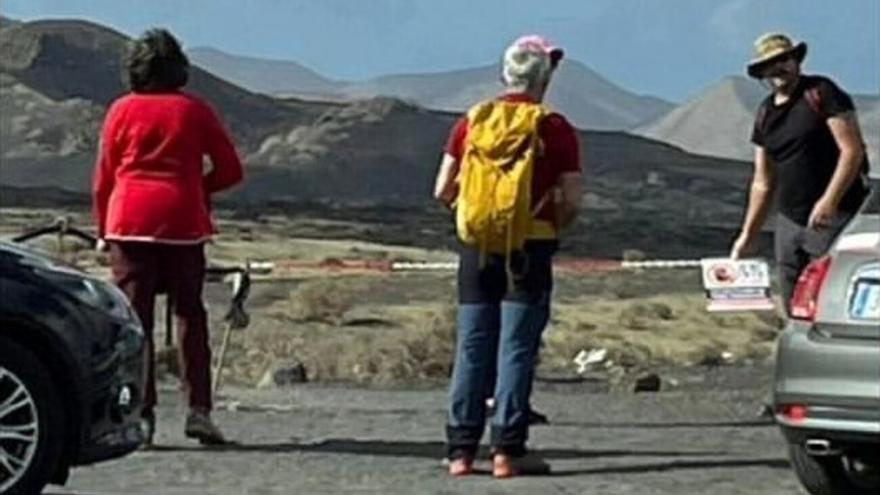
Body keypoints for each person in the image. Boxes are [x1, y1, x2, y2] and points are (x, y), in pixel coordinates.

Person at [433, 35, 582, 478]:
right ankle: (507, 451)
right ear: (545, 78)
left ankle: (460, 451)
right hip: (531, 245)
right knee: (517, 347)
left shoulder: (473, 120)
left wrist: (478, 215)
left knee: (473, 345)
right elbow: (573, 197)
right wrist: (554, 224)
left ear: (504, 75)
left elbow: (442, 189)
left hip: (476, 247)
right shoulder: (553, 126)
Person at [92, 28, 244, 446]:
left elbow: (104, 178)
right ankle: (198, 409)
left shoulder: (120, 111)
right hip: (182, 221)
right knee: (190, 316)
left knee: (134, 321)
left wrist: (103, 227)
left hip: (128, 220)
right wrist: (196, 189)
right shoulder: (195, 110)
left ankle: (141, 414)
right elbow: (231, 169)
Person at [731, 33, 869, 314]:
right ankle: (801, 349)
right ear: (763, 73)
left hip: (836, 215)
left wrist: (830, 200)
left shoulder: (821, 91)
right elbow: (762, 181)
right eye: (770, 64)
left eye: (784, 59)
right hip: (790, 219)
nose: (779, 68)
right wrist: (748, 235)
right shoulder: (766, 113)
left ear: (795, 61)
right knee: (794, 300)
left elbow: (851, 150)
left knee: (830, 295)